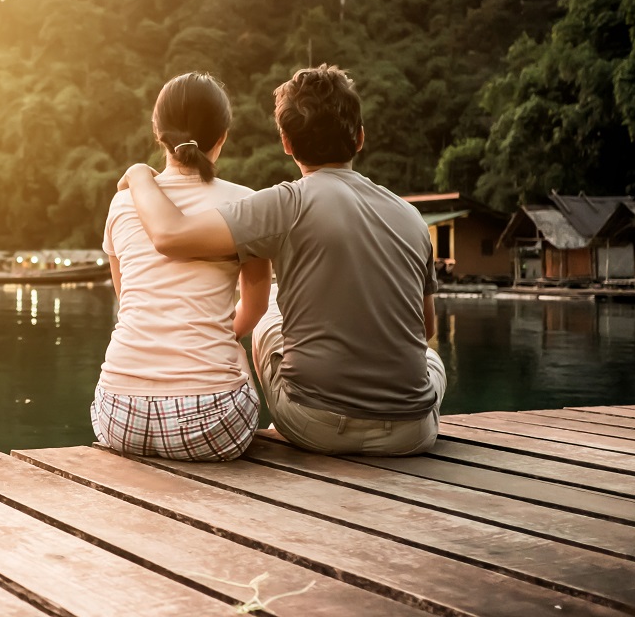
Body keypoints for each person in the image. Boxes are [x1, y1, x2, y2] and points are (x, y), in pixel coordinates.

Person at [118, 65, 445, 456]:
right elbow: (426, 327)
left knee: (269, 307)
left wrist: (138, 175)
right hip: (411, 433)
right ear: (360, 138)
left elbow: (170, 235)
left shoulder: (284, 203)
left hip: (315, 426)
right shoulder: (412, 217)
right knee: (431, 359)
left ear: (286, 143)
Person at [92, 72, 271, 462]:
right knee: (258, 322)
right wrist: (218, 336)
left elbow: (127, 298)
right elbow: (256, 307)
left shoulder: (122, 203)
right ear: (222, 136)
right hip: (212, 422)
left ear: (158, 133)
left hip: (118, 414)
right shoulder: (248, 205)